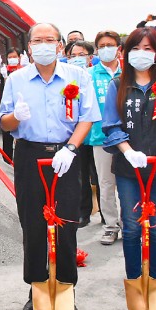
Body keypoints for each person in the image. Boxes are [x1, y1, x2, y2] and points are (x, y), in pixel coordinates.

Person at [0, 22, 100, 310]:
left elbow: (87, 117)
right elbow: (4, 122)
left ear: (59, 45)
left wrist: (71, 148)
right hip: (29, 155)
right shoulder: (16, 80)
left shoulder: (78, 77)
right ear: (30, 46)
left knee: (66, 223)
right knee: (33, 224)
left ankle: (66, 288)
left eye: (49, 40)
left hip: (66, 154)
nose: (43, 45)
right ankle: (36, 289)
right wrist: (15, 117)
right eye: (37, 40)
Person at [101, 27, 156, 288]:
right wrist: (128, 152)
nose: (142, 54)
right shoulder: (117, 85)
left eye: (148, 48)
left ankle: (155, 280)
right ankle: (134, 280)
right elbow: (111, 126)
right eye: (136, 48)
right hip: (129, 168)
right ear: (126, 54)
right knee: (131, 226)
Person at [84, 30, 123, 245]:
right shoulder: (89, 75)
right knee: (106, 184)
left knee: (128, 183)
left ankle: (130, 224)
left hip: (129, 137)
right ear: (97, 50)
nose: (107, 48)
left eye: (111, 44)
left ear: (119, 48)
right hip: (101, 137)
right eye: (102, 45)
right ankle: (110, 225)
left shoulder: (130, 71)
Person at [66, 41, 99, 227]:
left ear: (90, 57)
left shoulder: (95, 76)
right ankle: (83, 212)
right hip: (77, 136)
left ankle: (104, 212)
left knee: (100, 176)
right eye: (73, 55)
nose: (77, 59)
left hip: (98, 134)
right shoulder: (66, 77)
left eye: (81, 55)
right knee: (81, 174)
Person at [0, 47, 24, 163]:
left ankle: (20, 157)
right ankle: (7, 158)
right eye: (10, 57)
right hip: (7, 105)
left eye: (14, 57)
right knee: (7, 132)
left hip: (21, 105)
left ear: (19, 58)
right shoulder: (4, 70)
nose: (12, 59)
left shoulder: (24, 71)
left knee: (21, 132)